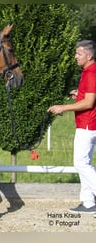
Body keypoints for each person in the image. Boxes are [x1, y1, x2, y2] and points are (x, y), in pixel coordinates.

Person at [48, 39, 96, 214]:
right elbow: (90, 95)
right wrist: (79, 93)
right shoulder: (89, 71)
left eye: (79, 54)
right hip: (88, 123)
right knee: (86, 163)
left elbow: (89, 103)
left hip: (87, 124)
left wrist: (63, 108)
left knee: (80, 163)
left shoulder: (91, 73)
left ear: (89, 56)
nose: (75, 57)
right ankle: (88, 202)